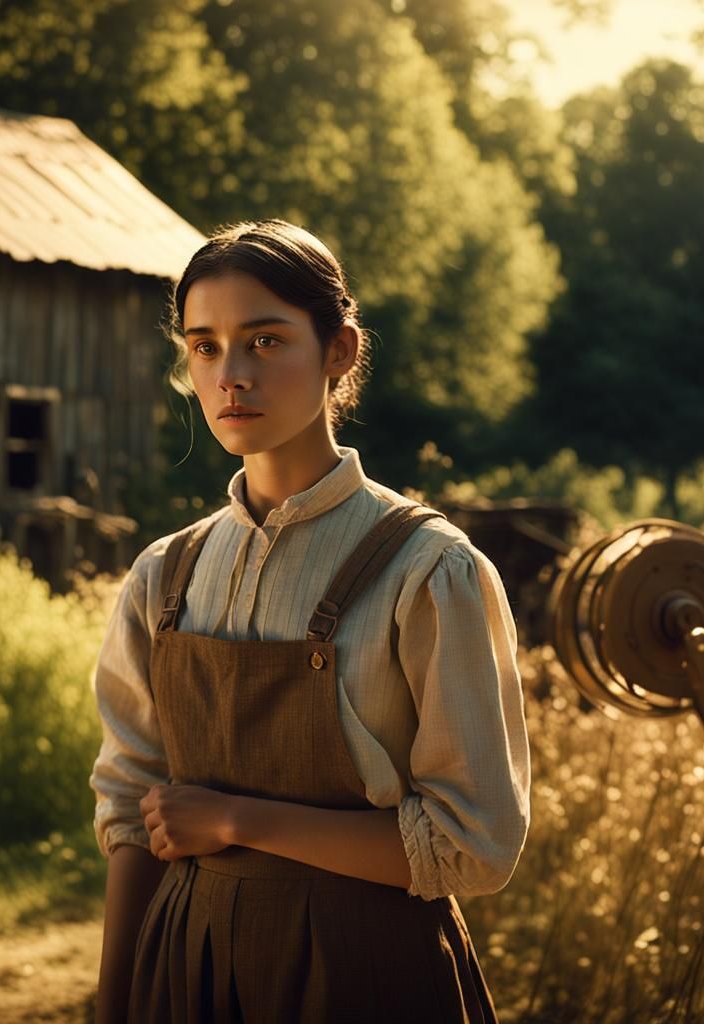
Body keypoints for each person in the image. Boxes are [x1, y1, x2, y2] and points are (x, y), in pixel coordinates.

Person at [89, 219, 531, 1023]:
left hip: (368, 974)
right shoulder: (165, 575)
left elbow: (473, 845)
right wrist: (114, 1004)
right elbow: (130, 808)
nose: (230, 377)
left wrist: (235, 819)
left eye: (264, 341)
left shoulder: (429, 570)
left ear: (340, 351)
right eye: (204, 346)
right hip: (185, 970)